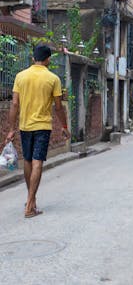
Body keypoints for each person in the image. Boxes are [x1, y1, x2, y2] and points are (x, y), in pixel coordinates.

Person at [6, 45, 69, 218]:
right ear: (48, 59)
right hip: (42, 126)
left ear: (33, 58)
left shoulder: (20, 76)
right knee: (38, 161)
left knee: (27, 160)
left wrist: (11, 129)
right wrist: (64, 127)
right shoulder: (53, 78)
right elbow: (58, 107)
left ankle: (31, 201)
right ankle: (29, 205)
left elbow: (14, 104)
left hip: (24, 126)